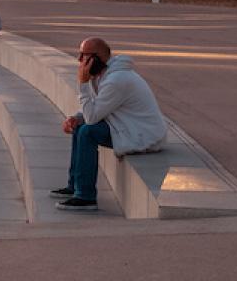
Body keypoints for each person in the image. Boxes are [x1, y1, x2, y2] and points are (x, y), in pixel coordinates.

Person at [53, 37, 165, 212]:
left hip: (141, 134)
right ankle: (75, 186)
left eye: (84, 56)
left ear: (96, 58)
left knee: (87, 132)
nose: (79, 60)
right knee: (80, 127)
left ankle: (85, 196)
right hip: (125, 127)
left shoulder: (116, 80)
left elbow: (92, 118)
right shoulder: (103, 75)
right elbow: (97, 108)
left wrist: (82, 84)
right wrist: (76, 118)